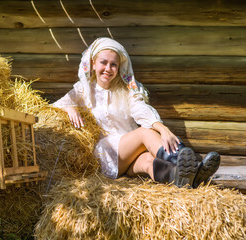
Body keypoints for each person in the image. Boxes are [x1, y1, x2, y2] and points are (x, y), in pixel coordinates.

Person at [53, 37, 220, 188]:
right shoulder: (83, 89)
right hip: (106, 154)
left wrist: (162, 128)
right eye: (103, 62)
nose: (108, 69)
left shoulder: (127, 90)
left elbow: (140, 109)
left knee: (148, 161)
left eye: (114, 64)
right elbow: (51, 107)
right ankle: (196, 168)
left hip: (129, 155)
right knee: (144, 133)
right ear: (93, 63)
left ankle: (183, 180)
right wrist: (69, 107)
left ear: (119, 68)